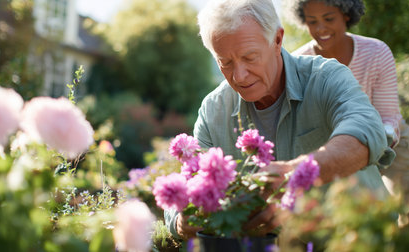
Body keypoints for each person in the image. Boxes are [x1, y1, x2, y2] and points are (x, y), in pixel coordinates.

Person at [165, 0, 395, 240]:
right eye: (225, 62)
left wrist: (296, 174)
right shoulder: (214, 110)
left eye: (250, 57)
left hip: (359, 238)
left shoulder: (327, 77)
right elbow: (187, 185)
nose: (239, 75)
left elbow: (368, 132)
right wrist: (179, 220)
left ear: (277, 40)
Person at [289, 0, 409, 224]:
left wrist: (370, 145)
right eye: (312, 22)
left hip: (389, 135)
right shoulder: (299, 63)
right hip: (337, 142)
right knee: (358, 216)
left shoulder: (376, 52)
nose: (320, 29)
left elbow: (388, 116)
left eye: (329, 19)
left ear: (346, 15)